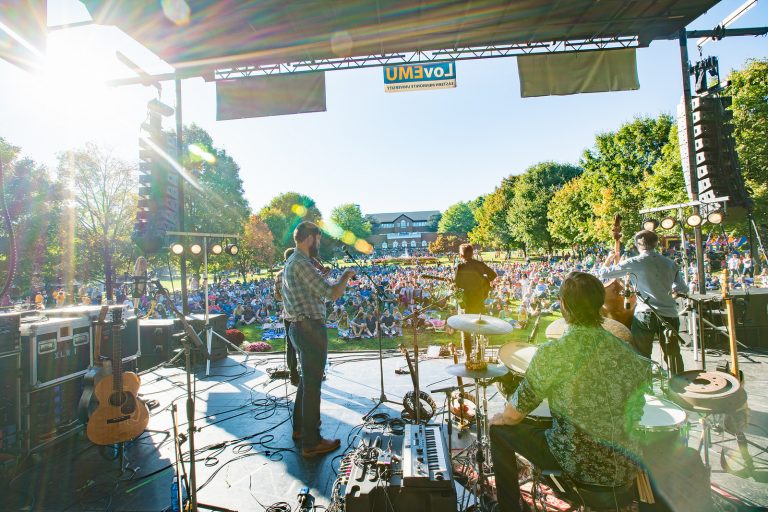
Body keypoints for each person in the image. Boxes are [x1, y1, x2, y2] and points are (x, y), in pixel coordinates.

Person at [489, 272, 650, 512]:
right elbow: (636, 413)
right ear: (599, 305)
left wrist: (499, 419)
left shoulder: (553, 353)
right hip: (625, 464)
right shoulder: (632, 356)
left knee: (499, 431)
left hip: (577, 462)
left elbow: (514, 415)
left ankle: (509, 509)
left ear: (563, 305)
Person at [281, 221, 355, 458]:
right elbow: (332, 293)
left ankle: (301, 431)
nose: (319, 244)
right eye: (318, 239)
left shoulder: (294, 262)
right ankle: (311, 443)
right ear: (309, 238)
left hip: (301, 327)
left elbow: (312, 288)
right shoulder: (301, 262)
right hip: (309, 328)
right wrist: (345, 276)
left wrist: (322, 276)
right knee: (313, 386)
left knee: (306, 381)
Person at [601, 230, 688, 375]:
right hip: (669, 315)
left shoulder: (634, 262)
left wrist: (609, 259)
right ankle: (680, 388)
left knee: (642, 355)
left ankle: (645, 387)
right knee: (672, 354)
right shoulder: (670, 263)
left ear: (637, 245)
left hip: (645, 314)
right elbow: (682, 289)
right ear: (656, 243)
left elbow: (604, 274)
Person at [454, 244, 497, 357]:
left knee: (465, 332)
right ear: (472, 253)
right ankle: (479, 356)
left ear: (460, 255)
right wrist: (484, 281)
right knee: (479, 330)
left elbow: (456, 287)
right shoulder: (480, 265)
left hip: (465, 304)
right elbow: (493, 275)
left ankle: (468, 357)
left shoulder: (460, 267)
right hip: (478, 302)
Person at [275, 248, 299, 386]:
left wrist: (285, 298)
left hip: (287, 314)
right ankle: (306, 373)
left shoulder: (278, 275)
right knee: (304, 344)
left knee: (290, 345)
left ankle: (293, 374)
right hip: (302, 315)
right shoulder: (297, 273)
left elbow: (276, 295)